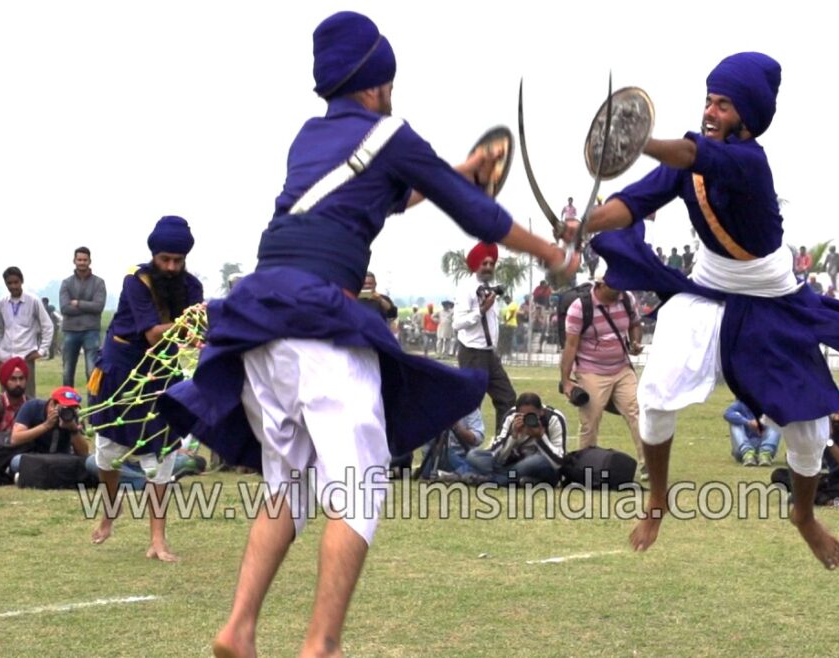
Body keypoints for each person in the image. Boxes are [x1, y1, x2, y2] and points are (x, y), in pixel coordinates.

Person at [157, 12, 578, 657]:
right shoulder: (391, 133)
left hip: (261, 319)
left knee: (287, 485)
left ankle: (239, 626)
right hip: (319, 320)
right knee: (359, 487)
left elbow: (378, 194)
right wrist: (552, 252)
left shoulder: (309, 136)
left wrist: (458, 168)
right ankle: (321, 645)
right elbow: (477, 215)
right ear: (379, 82)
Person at [578, 52, 839, 570]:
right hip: (705, 294)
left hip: (771, 303)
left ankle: (805, 516)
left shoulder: (748, 161)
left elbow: (687, 155)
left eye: (723, 104)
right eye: (708, 100)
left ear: (746, 117)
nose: (711, 111)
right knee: (655, 397)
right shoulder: (689, 161)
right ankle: (657, 498)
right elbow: (631, 203)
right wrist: (585, 223)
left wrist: (636, 141)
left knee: (810, 432)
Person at [88, 216, 204, 562]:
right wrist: (191, 324)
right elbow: (154, 333)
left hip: (162, 375)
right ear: (154, 255)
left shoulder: (192, 287)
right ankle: (110, 510)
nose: (170, 267)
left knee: (163, 454)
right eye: (165, 259)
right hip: (120, 371)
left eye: (177, 261)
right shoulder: (135, 280)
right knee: (107, 449)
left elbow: (193, 335)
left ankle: (158, 539)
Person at [559, 273, 644, 467]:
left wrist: (635, 342)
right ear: (600, 284)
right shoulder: (580, 308)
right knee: (591, 420)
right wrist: (566, 381)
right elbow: (570, 346)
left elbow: (635, 324)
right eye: (615, 285)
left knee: (638, 413)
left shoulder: (627, 298)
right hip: (591, 371)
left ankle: (649, 464)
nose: (620, 289)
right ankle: (585, 466)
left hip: (622, 368)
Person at [772, 388, 839, 508]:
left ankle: (807, 496)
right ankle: (824, 499)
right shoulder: (827, 426)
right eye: (835, 412)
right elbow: (794, 460)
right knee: (779, 475)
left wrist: (829, 442)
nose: (837, 418)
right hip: (833, 481)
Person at [456, 243, 519, 432]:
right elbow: (457, 323)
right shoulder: (466, 288)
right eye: (484, 263)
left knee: (507, 398)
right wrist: (481, 310)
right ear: (476, 265)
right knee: (471, 405)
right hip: (472, 352)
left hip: (489, 353)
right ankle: (464, 448)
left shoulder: (487, 287)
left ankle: (501, 444)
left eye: (491, 264)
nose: (489, 267)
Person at [452, 393, 566, 486]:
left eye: (531, 416)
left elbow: (557, 463)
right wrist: (513, 436)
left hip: (541, 468)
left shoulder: (554, 419)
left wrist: (541, 437)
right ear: (517, 413)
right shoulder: (511, 417)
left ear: (541, 412)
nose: (527, 419)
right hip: (511, 465)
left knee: (535, 461)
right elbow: (497, 457)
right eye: (522, 416)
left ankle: (489, 479)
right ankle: (521, 480)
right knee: (474, 455)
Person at [8, 386, 92, 484]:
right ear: (52, 404)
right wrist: (45, 426)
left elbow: (83, 453)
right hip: (33, 457)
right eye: (64, 408)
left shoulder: (73, 417)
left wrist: (73, 430)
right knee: (17, 461)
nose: (67, 412)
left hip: (62, 459)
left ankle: (30, 477)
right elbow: (15, 439)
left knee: (90, 463)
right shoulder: (32, 407)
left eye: (72, 408)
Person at [0, 266, 54, 397]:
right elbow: (0, 328)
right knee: (5, 397)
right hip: (5, 356)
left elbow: (47, 326)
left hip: (26, 356)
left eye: (16, 282)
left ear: (22, 281)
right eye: (9, 283)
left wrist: (41, 351)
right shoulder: (2, 303)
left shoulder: (33, 301)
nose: (13, 286)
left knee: (27, 397)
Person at [59, 246, 107, 387]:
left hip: (91, 331)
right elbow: (65, 308)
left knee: (91, 371)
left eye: (84, 260)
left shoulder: (98, 283)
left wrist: (77, 303)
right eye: (79, 259)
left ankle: (93, 406)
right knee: (67, 372)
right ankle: (68, 406)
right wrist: (88, 307)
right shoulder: (66, 283)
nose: (82, 262)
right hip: (70, 331)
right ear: (74, 261)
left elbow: (99, 306)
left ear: (90, 261)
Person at [417, 406, 485, 481]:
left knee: (479, 463)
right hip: (439, 454)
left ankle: (453, 475)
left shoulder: (471, 409)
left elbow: (477, 439)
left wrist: (458, 428)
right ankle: (457, 474)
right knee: (432, 445)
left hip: (462, 456)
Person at [723, 399, 780, 466]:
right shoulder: (740, 404)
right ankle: (748, 454)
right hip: (742, 449)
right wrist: (748, 422)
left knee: (777, 421)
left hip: (762, 443)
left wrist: (763, 422)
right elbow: (727, 413)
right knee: (735, 422)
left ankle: (765, 454)